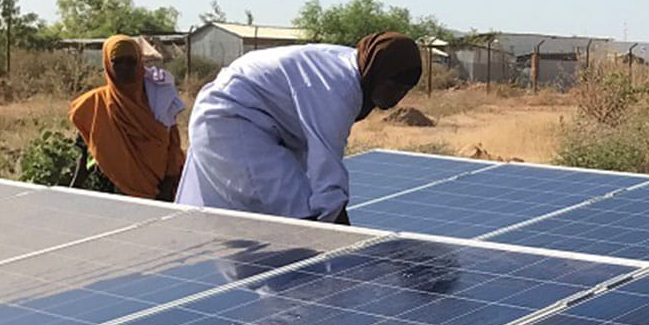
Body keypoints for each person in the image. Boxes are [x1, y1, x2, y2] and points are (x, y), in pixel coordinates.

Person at [176, 32, 421, 223]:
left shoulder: (355, 67)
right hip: (231, 119)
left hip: (262, 120)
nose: (398, 96)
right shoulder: (339, 88)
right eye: (393, 85)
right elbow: (327, 174)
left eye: (405, 90)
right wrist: (349, 251)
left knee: (281, 218)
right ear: (375, 71)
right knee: (298, 214)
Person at [67, 34, 185, 200]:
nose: (124, 67)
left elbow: (173, 144)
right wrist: (71, 193)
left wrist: (167, 186)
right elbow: (85, 155)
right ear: (108, 64)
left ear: (139, 63)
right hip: (109, 193)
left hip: (159, 191)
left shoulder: (159, 98)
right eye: (118, 61)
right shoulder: (93, 105)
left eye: (131, 61)